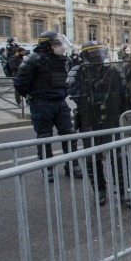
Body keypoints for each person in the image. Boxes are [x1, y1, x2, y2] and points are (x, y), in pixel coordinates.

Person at [67, 40, 131, 208]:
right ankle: (99, 191)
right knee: (93, 156)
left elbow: (124, 92)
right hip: (91, 119)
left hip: (111, 117)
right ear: (87, 55)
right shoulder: (78, 71)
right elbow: (74, 92)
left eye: (100, 52)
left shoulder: (113, 71)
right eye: (94, 53)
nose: (98, 55)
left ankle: (124, 190)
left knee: (118, 155)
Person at [14, 31, 82, 181]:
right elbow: (20, 84)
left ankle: (72, 164)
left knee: (69, 133)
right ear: (46, 45)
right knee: (44, 137)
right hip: (41, 104)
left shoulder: (63, 59)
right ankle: (48, 167)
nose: (60, 47)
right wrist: (35, 96)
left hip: (60, 103)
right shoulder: (33, 60)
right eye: (57, 44)